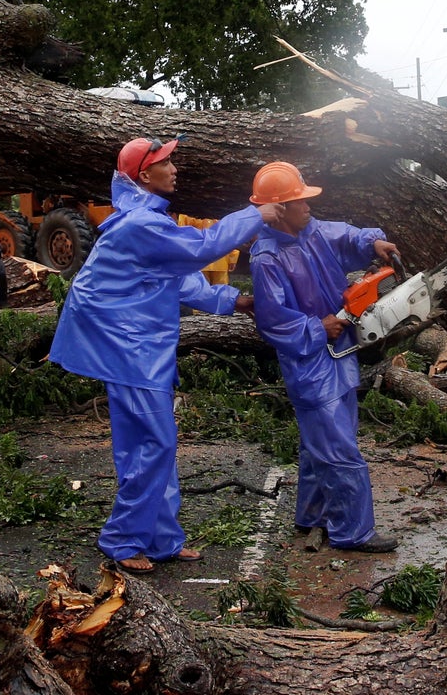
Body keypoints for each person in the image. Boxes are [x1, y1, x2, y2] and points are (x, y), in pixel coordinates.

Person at [48, 137, 278, 573]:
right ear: (142, 175)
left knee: (149, 444)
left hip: (140, 345)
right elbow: (202, 249)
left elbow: (178, 279)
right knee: (154, 441)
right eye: (165, 162)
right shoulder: (140, 225)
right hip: (126, 348)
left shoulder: (147, 222)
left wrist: (234, 301)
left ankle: (161, 539)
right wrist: (255, 214)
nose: (174, 169)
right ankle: (121, 539)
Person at [246, 161, 400, 553]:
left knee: (324, 441)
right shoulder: (267, 258)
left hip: (339, 353)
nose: (309, 205)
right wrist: (319, 327)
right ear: (279, 210)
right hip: (309, 363)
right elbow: (274, 321)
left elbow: (345, 236)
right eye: (299, 200)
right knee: (338, 449)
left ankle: (312, 513)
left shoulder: (311, 232)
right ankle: (353, 531)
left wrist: (373, 243)